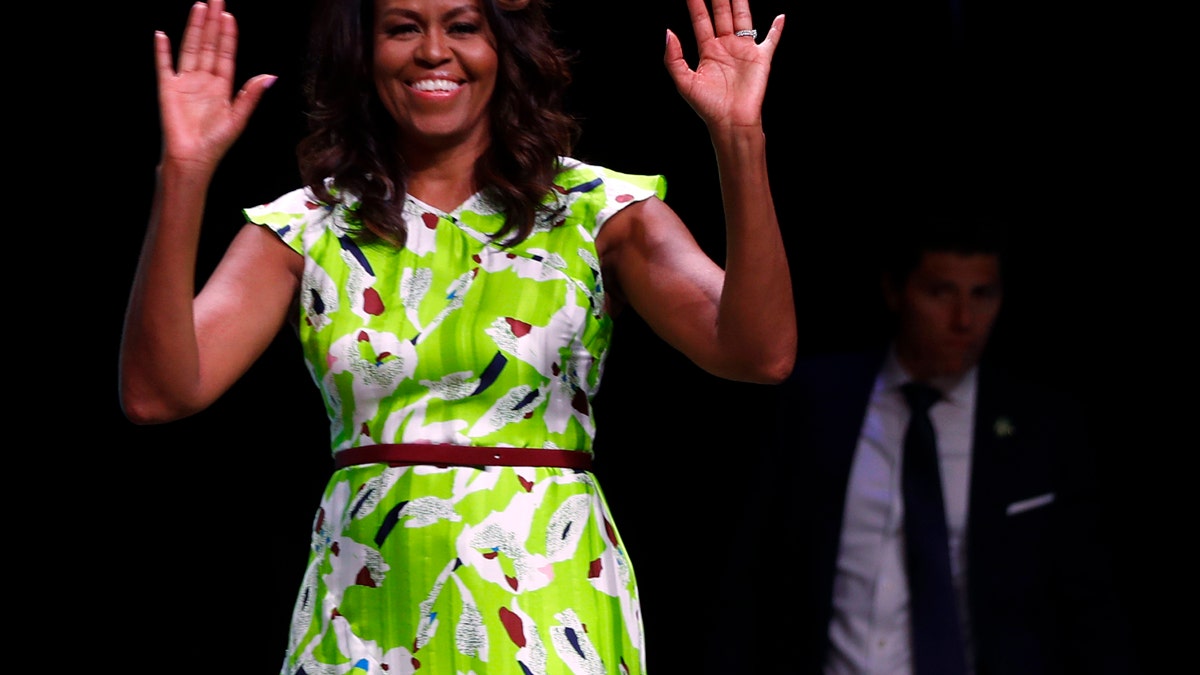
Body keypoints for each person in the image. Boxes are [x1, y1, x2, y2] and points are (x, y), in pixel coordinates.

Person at [119, 0, 795, 673]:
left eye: (463, 26)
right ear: (364, 50)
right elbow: (159, 392)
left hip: (548, 603)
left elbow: (758, 353)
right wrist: (184, 171)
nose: (434, 50)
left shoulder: (595, 210)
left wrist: (739, 138)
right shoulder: (309, 225)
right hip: (364, 617)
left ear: (505, 48)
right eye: (403, 27)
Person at [744, 218, 1139, 674]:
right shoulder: (819, 402)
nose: (963, 320)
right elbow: (754, 571)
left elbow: (1089, 602)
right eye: (940, 293)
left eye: (982, 294)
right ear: (896, 292)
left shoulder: (1042, 427)